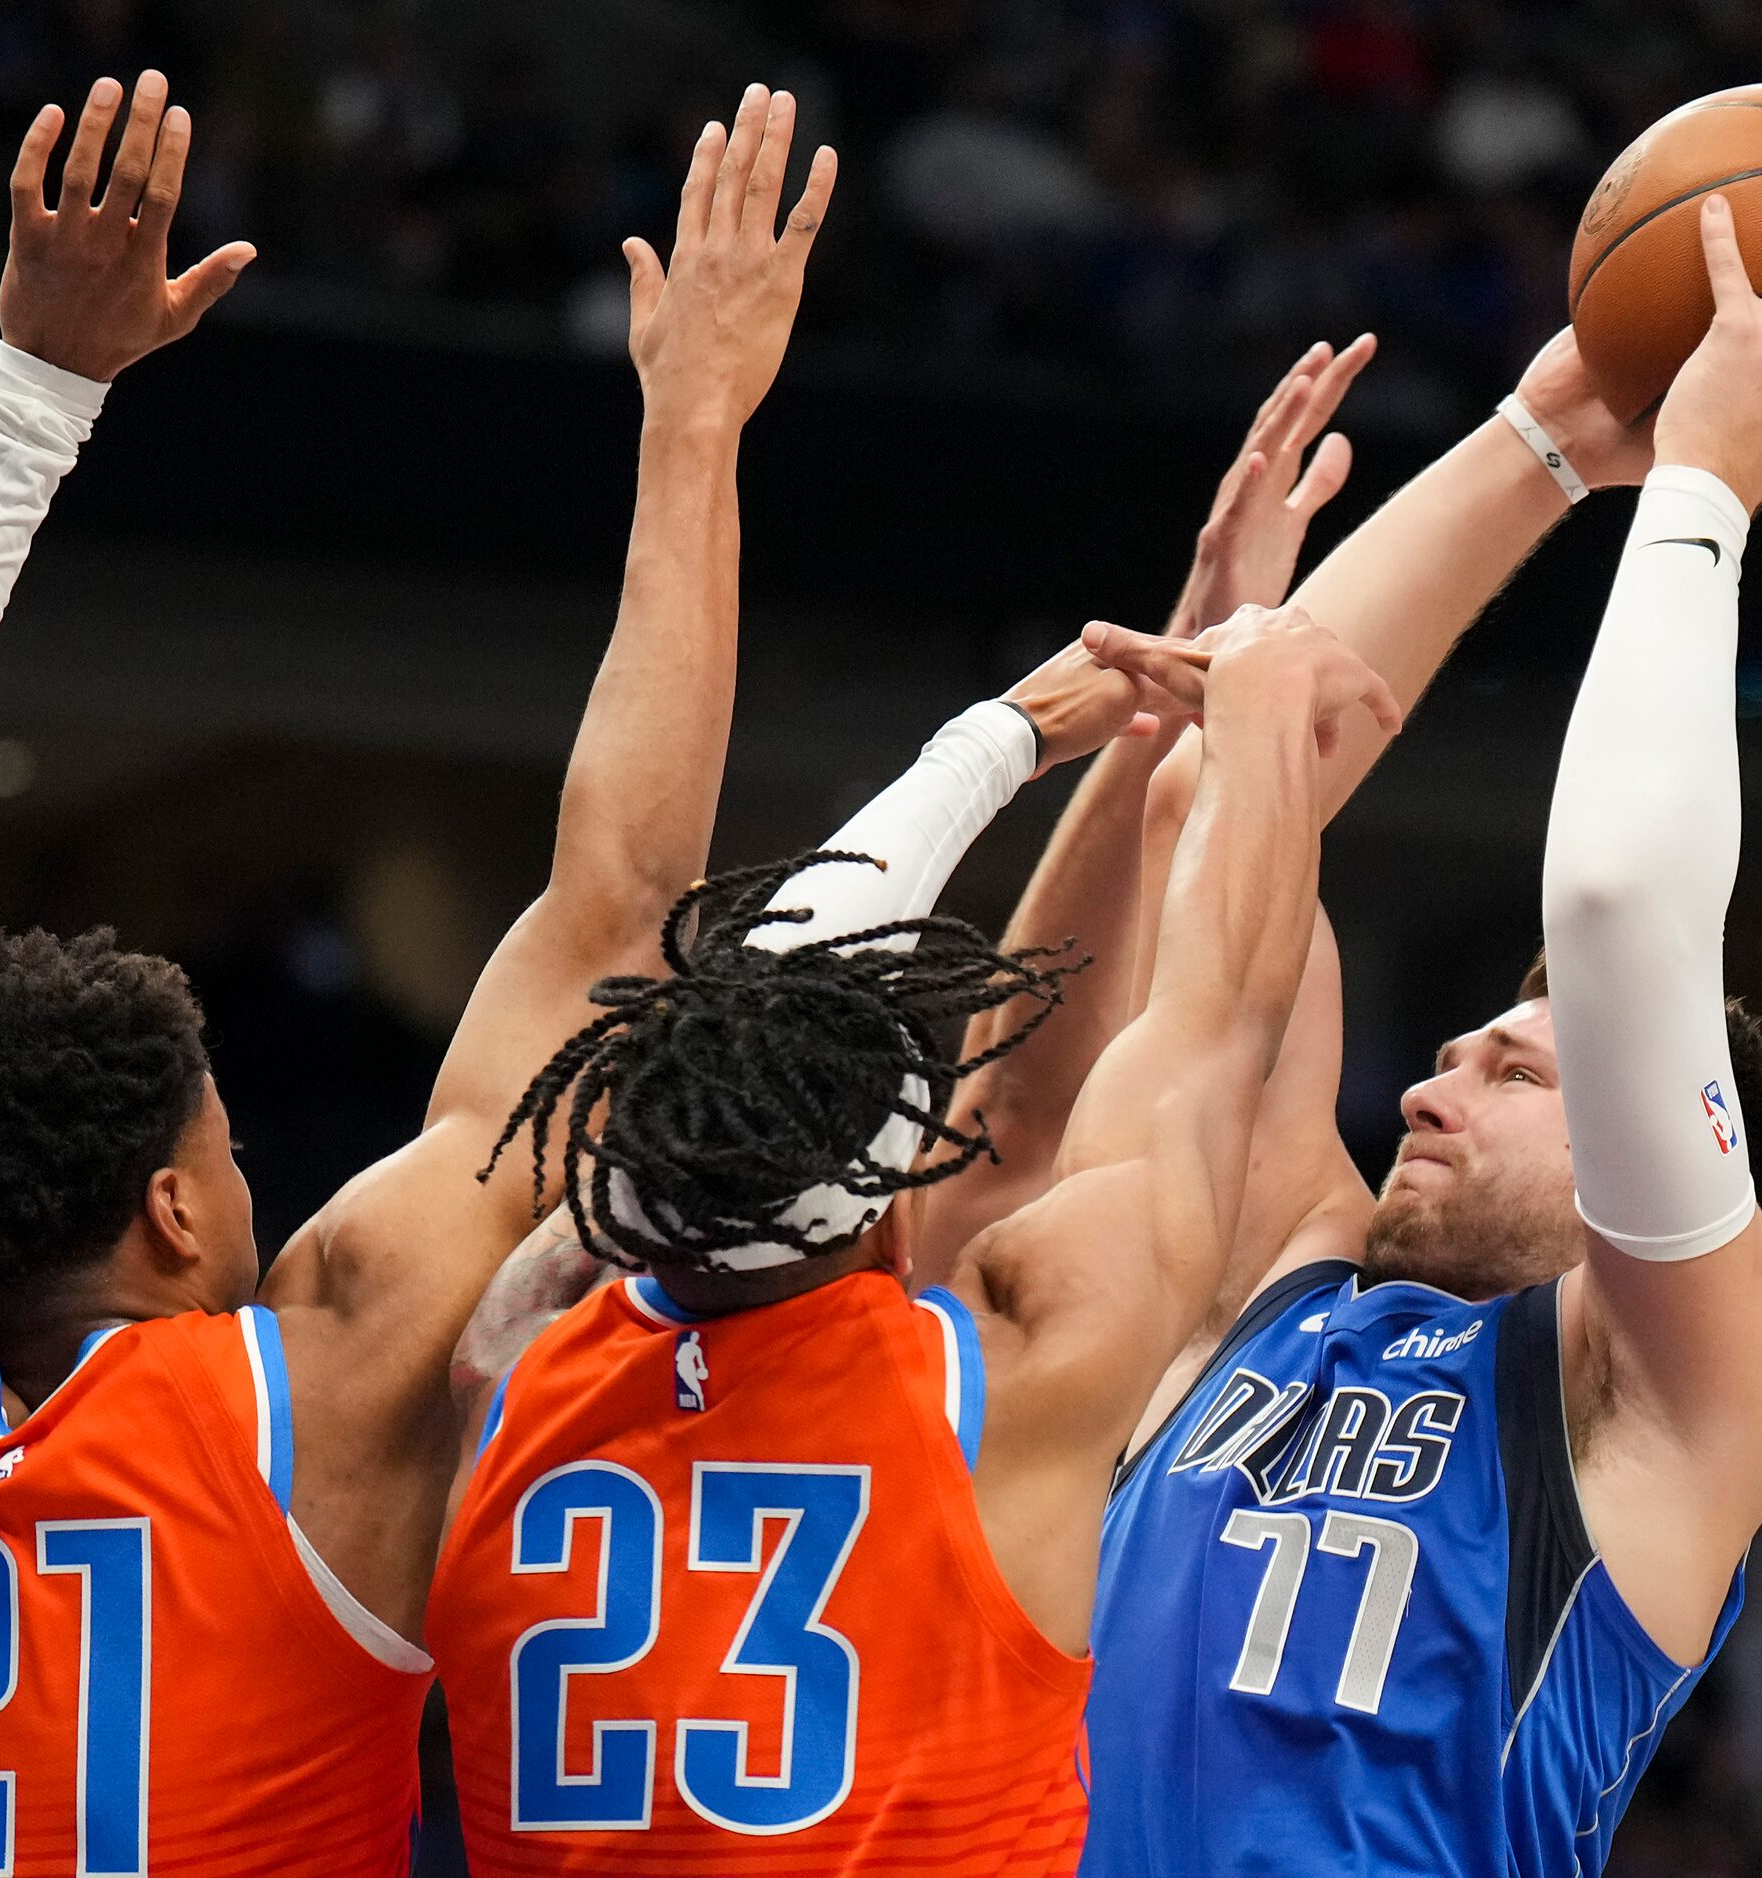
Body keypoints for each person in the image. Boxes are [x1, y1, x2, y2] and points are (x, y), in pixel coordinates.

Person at [0, 72, 834, 1875]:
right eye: (230, 1148)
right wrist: (698, 418)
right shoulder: (320, 1394)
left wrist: (35, 399)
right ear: (173, 1211)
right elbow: (621, 906)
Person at [1067, 167, 1762, 1873]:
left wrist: (1706, 481)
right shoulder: (1279, 1276)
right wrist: (1548, 434)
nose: (1424, 1080)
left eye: (1511, 1065)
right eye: (1461, 1046)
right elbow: (1222, 796)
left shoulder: (1668, 1393)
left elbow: (1622, 911)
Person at [425, 588, 1401, 1873]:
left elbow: (736, 1036)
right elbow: (1211, 1024)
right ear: (890, 1200)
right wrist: (1259, 713)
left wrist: (999, 741)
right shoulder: (1004, 1378)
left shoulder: (492, 1369)